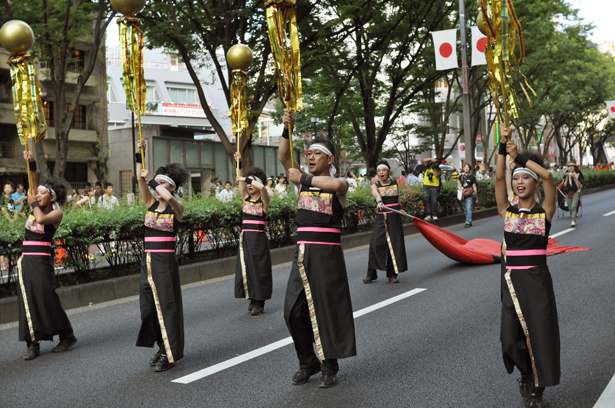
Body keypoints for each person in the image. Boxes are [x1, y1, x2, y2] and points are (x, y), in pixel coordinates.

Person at [279, 109, 356, 389]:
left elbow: (335, 183)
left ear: (330, 159)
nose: (310, 157)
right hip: (301, 255)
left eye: (317, 154)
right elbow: (285, 159)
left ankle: (329, 365)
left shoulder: (339, 186)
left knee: (327, 311)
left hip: (327, 256)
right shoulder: (302, 182)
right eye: (308, 153)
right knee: (293, 311)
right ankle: (307, 361)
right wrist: (286, 128)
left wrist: (302, 178)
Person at [495, 127, 559, 408]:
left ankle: (537, 387)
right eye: (516, 178)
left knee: (540, 333)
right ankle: (525, 374)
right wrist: (501, 146)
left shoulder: (545, 211)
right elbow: (499, 176)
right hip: (511, 281)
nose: (519, 181)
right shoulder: (505, 211)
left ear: (532, 183)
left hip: (537, 281)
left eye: (524, 178)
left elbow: (548, 176)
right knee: (510, 338)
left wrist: (518, 156)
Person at [17, 151, 77, 360]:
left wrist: (33, 202)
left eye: (43, 193)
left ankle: (67, 335)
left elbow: (41, 220)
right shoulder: (37, 206)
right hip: (26, 260)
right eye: (38, 193)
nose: (38, 195)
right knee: (27, 300)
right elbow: (33, 183)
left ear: (52, 197)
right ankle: (32, 344)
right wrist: (31, 163)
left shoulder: (55, 213)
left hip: (42, 261)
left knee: (47, 298)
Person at [135, 140, 187, 372]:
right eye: (157, 183)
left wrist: (154, 180)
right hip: (147, 262)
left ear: (172, 187)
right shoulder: (150, 203)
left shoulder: (177, 207)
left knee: (167, 306)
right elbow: (140, 179)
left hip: (165, 263)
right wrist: (140, 153)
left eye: (163, 183)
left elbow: (166, 193)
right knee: (148, 307)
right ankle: (160, 344)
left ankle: (170, 352)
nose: (157, 187)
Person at [233, 152, 272, 316]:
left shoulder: (264, 200)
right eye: (249, 182)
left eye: (252, 182)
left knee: (259, 270)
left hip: (258, 239)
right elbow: (239, 179)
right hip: (245, 239)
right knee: (246, 269)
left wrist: (245, 179)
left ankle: (260, 302)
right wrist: (239, 163)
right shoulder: (245, 198)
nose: (249, 185)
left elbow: (263, 187)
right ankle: (252, 298)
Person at [363, 160, 408, 284]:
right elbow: (376, 195)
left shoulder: (395, 184)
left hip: (395, 217)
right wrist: (379, 202)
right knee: (375, 244)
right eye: (378, 171)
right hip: (381, 217)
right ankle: (371, 274)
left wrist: (401, 209)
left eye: (383, 170)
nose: (381, 172)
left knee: (394, 245)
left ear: (388, 171)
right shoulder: (374, 185)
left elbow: (397, 200)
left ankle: (392, 274)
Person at [561, 162, 583, 227]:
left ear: (574, 167)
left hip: (576, 192)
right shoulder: (566, 174)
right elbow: (564, 185)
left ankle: (573, 220)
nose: (571, 167)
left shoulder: (578, 174)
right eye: (569, 166)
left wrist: (575, 178)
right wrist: (567, 177)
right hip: (568, 192)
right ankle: (573, 214)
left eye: (572, 166)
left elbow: (580, 185)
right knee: (570, 207)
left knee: (574, 206)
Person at [458, 163, 478, 228]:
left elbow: (474, 186)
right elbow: (458, 185)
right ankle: (468, 220)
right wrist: (460, 188)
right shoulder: (461, 176)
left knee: (468, 208)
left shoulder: (472, 177)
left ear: (469, 169)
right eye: (465, 167)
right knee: (465, 208)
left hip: (469, 194)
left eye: (467, 167)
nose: (466, 168)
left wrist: (476, 194)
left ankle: (468, 221)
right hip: (462, 194)